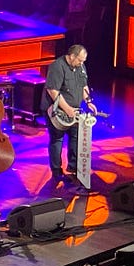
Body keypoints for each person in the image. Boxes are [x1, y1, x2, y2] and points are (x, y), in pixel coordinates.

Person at [40, 44, 97, 183]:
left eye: (83, 61)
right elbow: (53, 91)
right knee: (57, 139)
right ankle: (56, 171)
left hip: (74, 110)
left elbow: (83, 86)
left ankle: (73, 167)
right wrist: (67, 109)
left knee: (76, 136)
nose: (82, 63)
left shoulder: (80, 67)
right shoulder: (57, 66)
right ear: (72, 56)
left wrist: (88, 101)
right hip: (56, 111)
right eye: (80, 60)